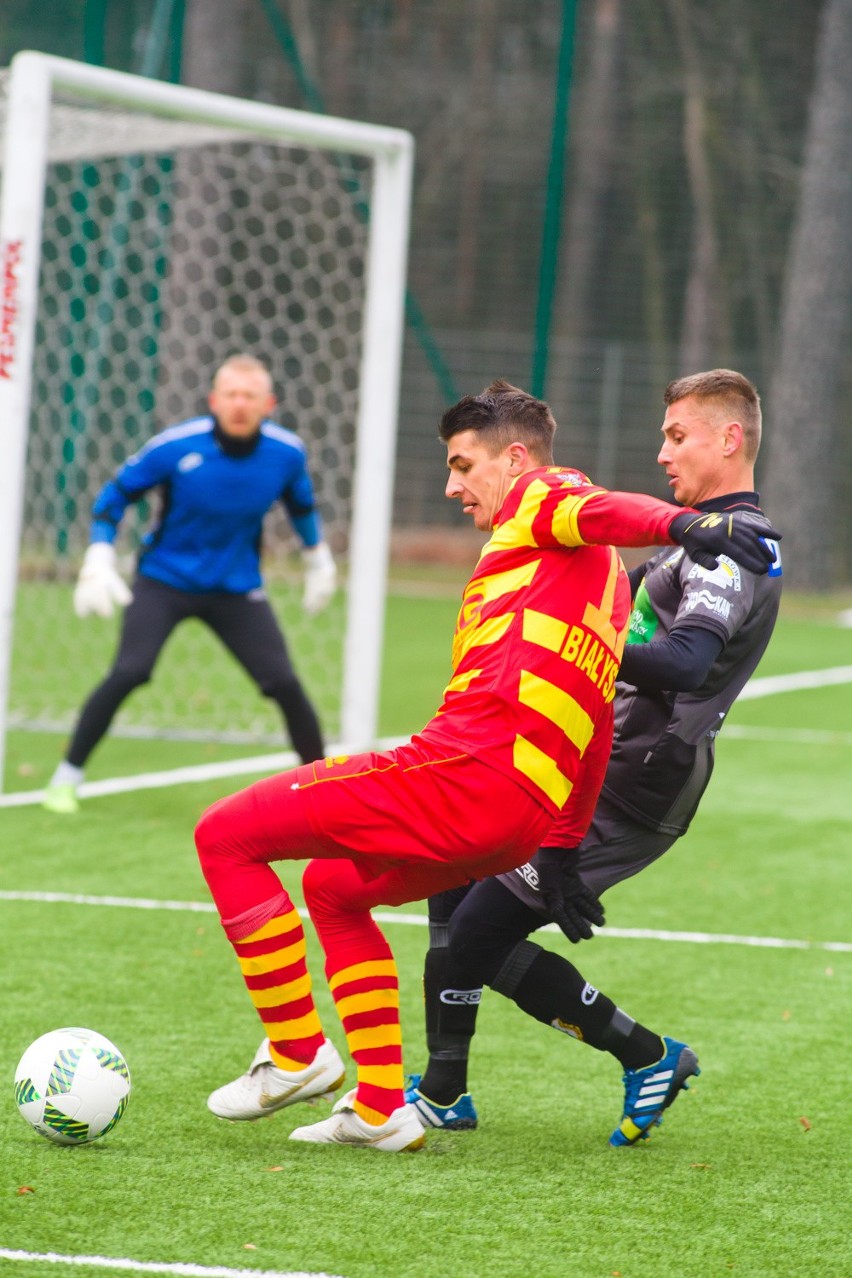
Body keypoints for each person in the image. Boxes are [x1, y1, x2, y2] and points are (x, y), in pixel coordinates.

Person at [193, 378, 778, 1155]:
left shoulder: (544, 494)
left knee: (223, 836)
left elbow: (596, 508)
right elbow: (596, 706)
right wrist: (562, 842)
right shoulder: (600, 580)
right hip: (520, 817)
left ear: (511, 459)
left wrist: (681, 524)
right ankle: (385, 1107)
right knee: (337, 890)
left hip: (466, 775)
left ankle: (300, 1054)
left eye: (463, 466)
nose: (451, 485)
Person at [405, 368, 783, 1147]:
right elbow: (605, 599)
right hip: (584, 762)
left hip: (638, 784)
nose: (662, 454)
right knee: (452, 882)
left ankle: (644, 1056)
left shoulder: (731, 548)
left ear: (730, 438)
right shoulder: (690, 542)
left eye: (678, 436)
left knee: (478, 935)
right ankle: (448, 1089)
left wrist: (580, 645)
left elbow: (682, 664)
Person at [43, 354, 337, 815]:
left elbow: (301, 505)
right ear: (214, 400)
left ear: (269, 404)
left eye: (250, 396)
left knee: (282, 681)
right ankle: (66, 776)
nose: (240, 404)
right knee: (129, 671)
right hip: (165, 580)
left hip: (236, 588)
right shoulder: (175, 447)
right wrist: (99, 554)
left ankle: (325, 791)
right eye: (231, 395)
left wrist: (318, 559)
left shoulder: (286, 452)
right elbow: (113, 497)